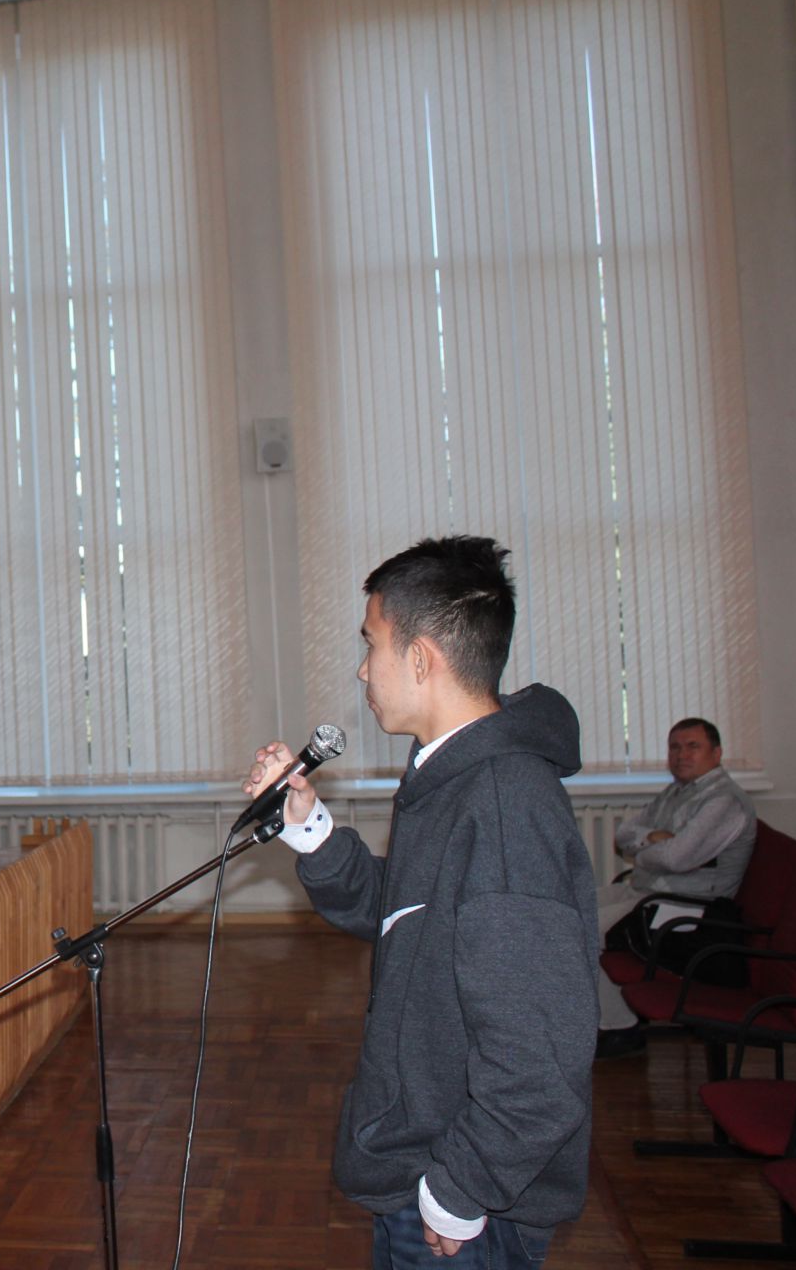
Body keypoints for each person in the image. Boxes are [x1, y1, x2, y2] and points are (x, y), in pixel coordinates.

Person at [246, 536, 596, 1267]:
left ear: (420, 658)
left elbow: (540, 1057)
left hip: (467, 1200)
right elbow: (408, 918)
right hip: (432, 1163)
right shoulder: (451, 780)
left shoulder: (503, 804)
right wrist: (311, 830)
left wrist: (461, 1188)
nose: (361, 668)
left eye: (370, 642)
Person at [594, 717, 756, 1057]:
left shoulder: (723, 801)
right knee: (570, 912)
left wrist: (646, 850)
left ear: (717, 753)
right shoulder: (677, 791)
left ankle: (621, 1029)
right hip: (647, 889)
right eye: (675, 747)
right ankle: (603, 1018)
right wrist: (655, 838)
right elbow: (623, 835)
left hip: (688, 905)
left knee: (585, 931)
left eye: (693, 746)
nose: (681, 755)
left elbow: (676, 858)